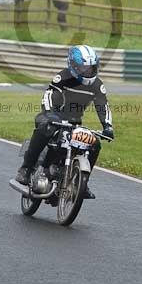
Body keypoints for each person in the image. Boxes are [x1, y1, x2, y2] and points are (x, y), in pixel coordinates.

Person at [14, 45, 114, 198]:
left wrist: (107, 126)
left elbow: (102, 105)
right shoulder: (63, 77)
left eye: (91, 68)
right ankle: (26, 169)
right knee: (45, 130)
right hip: (53, 117)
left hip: (74, 123)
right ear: (73, 65)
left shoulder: (97, 85)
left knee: (94, 144)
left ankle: (82, 183)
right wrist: (49, 113)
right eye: (84, 68)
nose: (88, 72)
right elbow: (49, 94)